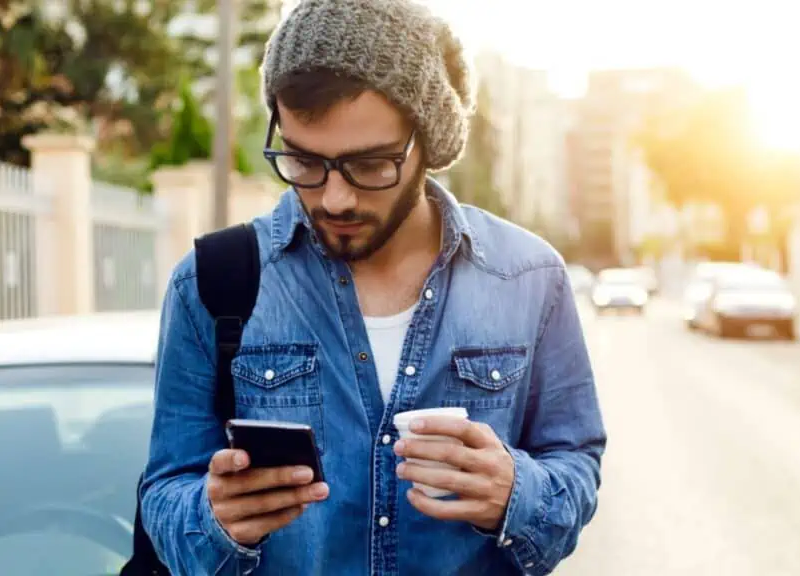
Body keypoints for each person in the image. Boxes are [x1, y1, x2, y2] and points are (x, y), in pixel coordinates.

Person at [138, 0, 607, 574]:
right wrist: (209, 520)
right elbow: (164, 495)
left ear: (427, 141)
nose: (335, 198)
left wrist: (518, 494)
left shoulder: (530, 279)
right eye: (305, 161)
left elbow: (575, 464)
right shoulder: (208, 284)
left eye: (370, 165)